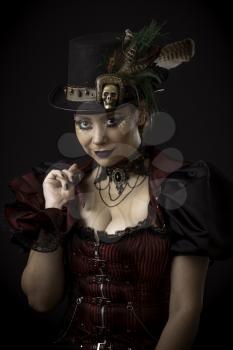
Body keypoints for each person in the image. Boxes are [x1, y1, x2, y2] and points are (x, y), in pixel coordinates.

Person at [4, 21, 233, 350]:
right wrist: (53, 209)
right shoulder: (62, 184)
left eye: (112, 121)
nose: (96, 140)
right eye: (84, 124)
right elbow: (40, 300)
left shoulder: (180, 189)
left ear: (140, 114)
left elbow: (184, 311)